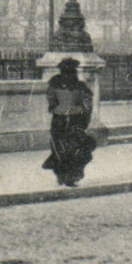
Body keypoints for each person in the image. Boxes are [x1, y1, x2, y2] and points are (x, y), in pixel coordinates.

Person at [41, 57, 95, 187]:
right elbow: (87, 104)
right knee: (75, 148)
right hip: (74, 119)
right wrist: (83, 115)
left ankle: (63, 175)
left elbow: (51, 100)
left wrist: (56, 108)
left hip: (60, 120)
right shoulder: (80, 86)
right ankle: (69, 176)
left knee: (62, 148)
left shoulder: (54, 84)